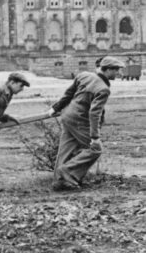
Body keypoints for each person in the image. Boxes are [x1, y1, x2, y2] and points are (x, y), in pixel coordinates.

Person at [49, 56, 125, 191]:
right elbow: (94, 113)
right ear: (107, 70)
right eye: (116, 70)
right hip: (79, 120)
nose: (119, 73)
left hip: (67, 116)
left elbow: (69, 93)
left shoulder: (84, 75)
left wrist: (56, 108)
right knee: (95, 149)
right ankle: (67, 174)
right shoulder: (103, 89)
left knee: (65, 150)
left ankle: (59, 182)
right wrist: (95, 137)